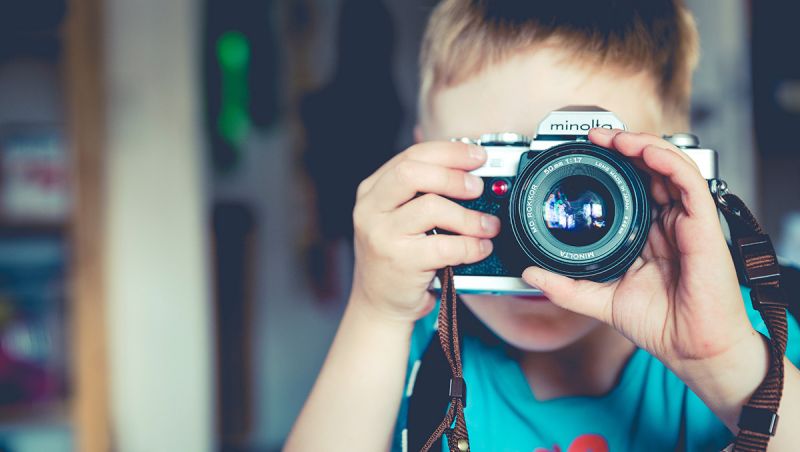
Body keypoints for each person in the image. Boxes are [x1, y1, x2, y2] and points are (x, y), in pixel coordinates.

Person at [285, 1, 800, 450]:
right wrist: (375, 313)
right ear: (424, 165)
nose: (539, 237)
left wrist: (728, 367)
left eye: (588, 176)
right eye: (504, 175)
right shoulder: (411, 348)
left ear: (670, 169)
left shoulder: (745, 338)